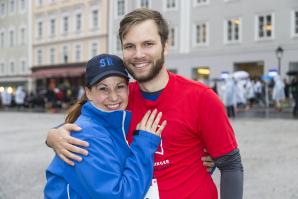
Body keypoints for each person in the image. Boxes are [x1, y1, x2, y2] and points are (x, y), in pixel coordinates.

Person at [46, 8, 243, 199]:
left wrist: (212, 159)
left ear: (165, 46)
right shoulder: (119, 99)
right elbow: (88, 118)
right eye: (130, 46)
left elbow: (231, 164)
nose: (138, 54)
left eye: (148, 44)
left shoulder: (201, 97)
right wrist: (54, 135)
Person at [44, 54, 167, 198]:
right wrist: (144, 145)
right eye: (103, 89)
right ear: (88, 92)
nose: (114, 97)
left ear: (128, 89)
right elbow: (119, 196)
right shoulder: (87, 136)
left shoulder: (110, 125)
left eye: (120, 87)